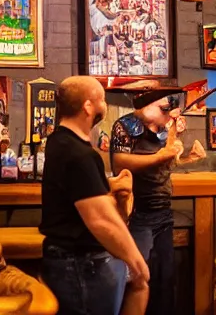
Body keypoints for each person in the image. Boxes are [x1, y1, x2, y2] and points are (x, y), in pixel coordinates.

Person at [40, 76, 149, 315]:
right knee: (141, 282)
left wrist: (108, 188)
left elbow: (79, 194)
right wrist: (135, 259)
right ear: (88, 106)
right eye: (101, 99)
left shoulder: (58, 141)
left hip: (67, 259)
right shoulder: (80, 154)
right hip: (82, 264)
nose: (105, 104)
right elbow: (100, 220)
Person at [110, 88, 205, 315]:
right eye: (164, 109)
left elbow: (167, 164)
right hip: (136, 214)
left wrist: (183, 151)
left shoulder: (165, 128)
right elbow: (118, 164)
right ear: (146, 105)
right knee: (138, 278)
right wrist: (159, 156)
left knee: (165, 280)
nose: (170, 114)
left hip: (163, 210)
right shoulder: (125, 125)